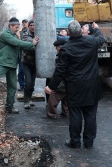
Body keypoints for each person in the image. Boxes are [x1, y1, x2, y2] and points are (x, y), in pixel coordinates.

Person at [45, 20, 105, 149]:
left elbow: (60, 70)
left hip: (74, 86)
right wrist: (96, 29)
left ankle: (75, 141)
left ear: (69, 33)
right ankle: (89, 142)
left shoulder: (66, 48)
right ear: (80, 31)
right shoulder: (92, 41)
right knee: (90, 115)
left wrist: (51, 86)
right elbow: (101, 38)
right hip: (91, 86)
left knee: (75, 114)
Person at [46, 39, 69, 119]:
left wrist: (51, 86)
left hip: (61, 82)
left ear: (60, 47)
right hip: (70, 81)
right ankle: (66, 112)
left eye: (56, 47)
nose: (56, 49)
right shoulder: (71, 51)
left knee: (53, 97)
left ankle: (52, 114)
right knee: (66, 98)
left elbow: (59, 71)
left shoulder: (62, 55)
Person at [21, 19, 37, 109]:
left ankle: (30, 98)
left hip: (35, 63)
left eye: (34, 25)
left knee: (32, 83)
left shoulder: (38, 34)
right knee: (28, 82)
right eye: (31, 25)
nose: (32, 27)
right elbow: (27, 43)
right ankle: (26, 101)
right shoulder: (25, 34)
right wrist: (34, 41)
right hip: (26, 62)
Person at [17, 19, 28, 91]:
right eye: (23, 23)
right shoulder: (19, 32)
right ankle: (21, 84)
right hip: (21, 52)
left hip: (29, 52)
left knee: (28, 70)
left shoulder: (31, 31)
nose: (24, 24)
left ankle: (28, 85)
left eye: (25, 23)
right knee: (21, 69)